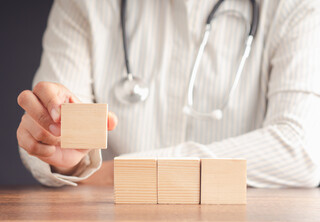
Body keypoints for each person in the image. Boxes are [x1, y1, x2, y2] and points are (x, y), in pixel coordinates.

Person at [17, 0, 320, 187]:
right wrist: (62, 154)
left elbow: (302, 150)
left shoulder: (294, 6)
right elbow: (51, 137)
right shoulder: (84, 5)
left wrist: (110, 175)